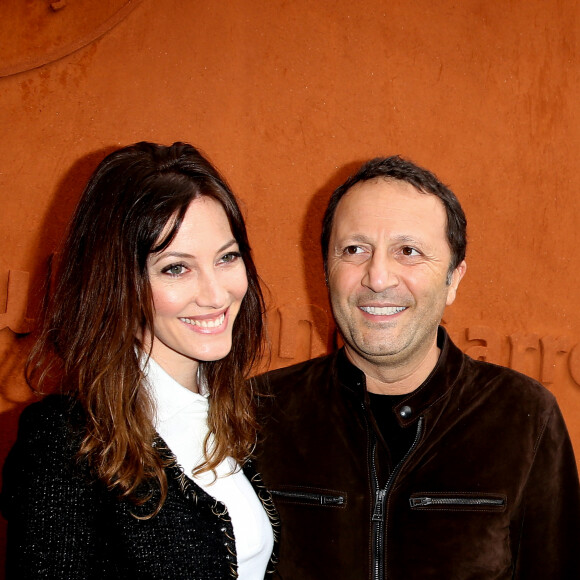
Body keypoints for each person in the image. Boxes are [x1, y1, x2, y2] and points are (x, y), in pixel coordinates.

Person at [254, 156, 580, 579]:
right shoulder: (258, 411)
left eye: (408, 251)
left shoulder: (524, 417)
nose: (378, 277)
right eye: (354, 249)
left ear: (453, 279)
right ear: (325, 270)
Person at [1, 142, 279, 579]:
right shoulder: (65, 442)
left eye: (227, 257)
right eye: (175, 268)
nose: (216, 294)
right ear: (116, 284)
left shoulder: (235, 412)